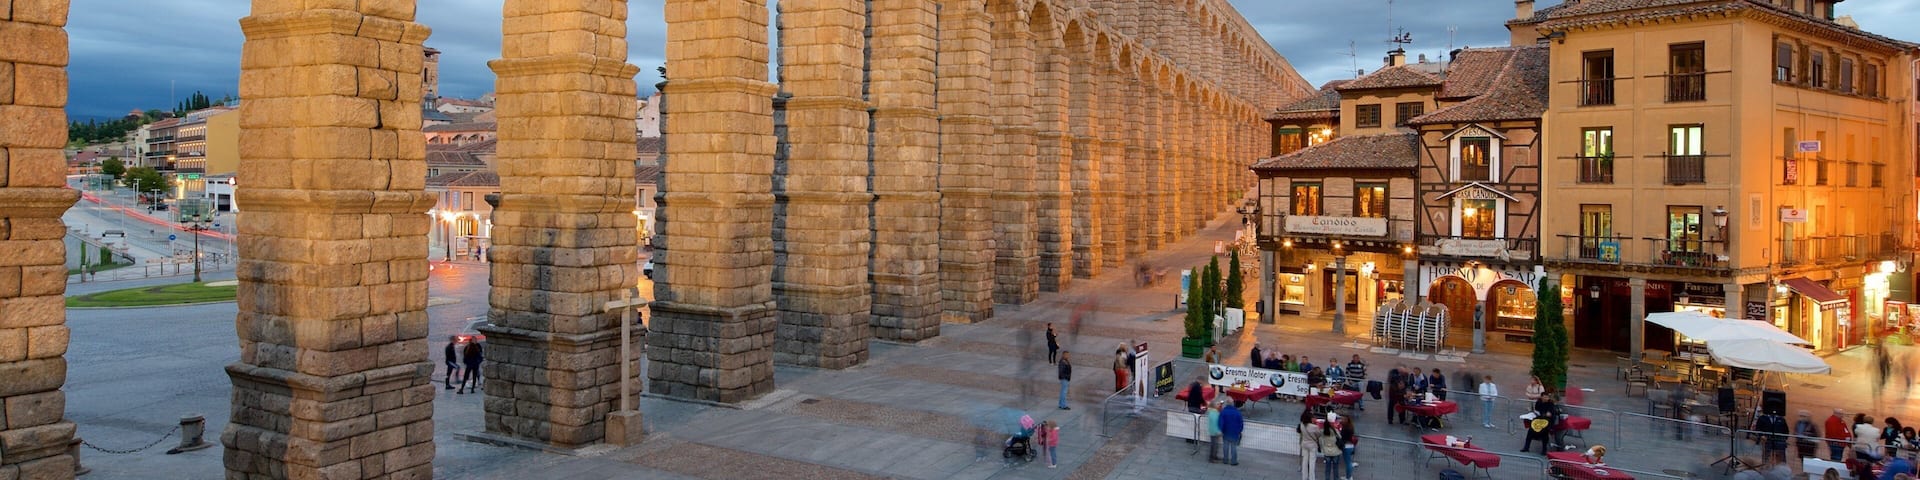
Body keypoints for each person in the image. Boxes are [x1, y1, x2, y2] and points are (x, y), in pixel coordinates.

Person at [1317, 414, 1343, 480]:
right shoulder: (1335, 431)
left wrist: (1322, 448)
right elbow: (1340, 437)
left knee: (1327, 468)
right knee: (1335, 468)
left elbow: (1320, 440)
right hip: (1336, 452)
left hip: (1327, 452)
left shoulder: (1323, 431)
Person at [1298, 411, 1321, 480]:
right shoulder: (1314, 427)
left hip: (1304, 444)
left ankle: (1304, 477)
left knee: (1304, 461)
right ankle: (1312, 478)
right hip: (1312, 445)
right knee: (1312, 462)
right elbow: (1319, 435)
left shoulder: (1301, 424)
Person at [1220, 401, 1244, 466]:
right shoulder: (1237, 412)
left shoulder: (1223, 412)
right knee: (1234, 447)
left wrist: (1221, 431)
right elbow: (1241, 423)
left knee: (1225, 446)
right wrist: (1239, 431)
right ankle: (1233, 461)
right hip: (1235, 432)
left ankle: (1225, 460)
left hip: (1226, 432)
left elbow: (1221, 423)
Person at [1339, 413, 1359, 480]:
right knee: (1349, 462)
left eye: (1342, 419)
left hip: (1346, 446)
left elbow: (1343, 437)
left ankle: (1348, 477)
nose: (1341, 420)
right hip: (1350, 446)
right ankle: (1348, 476)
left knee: (1348, 463)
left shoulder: (1345, 429)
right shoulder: (1350, 427)